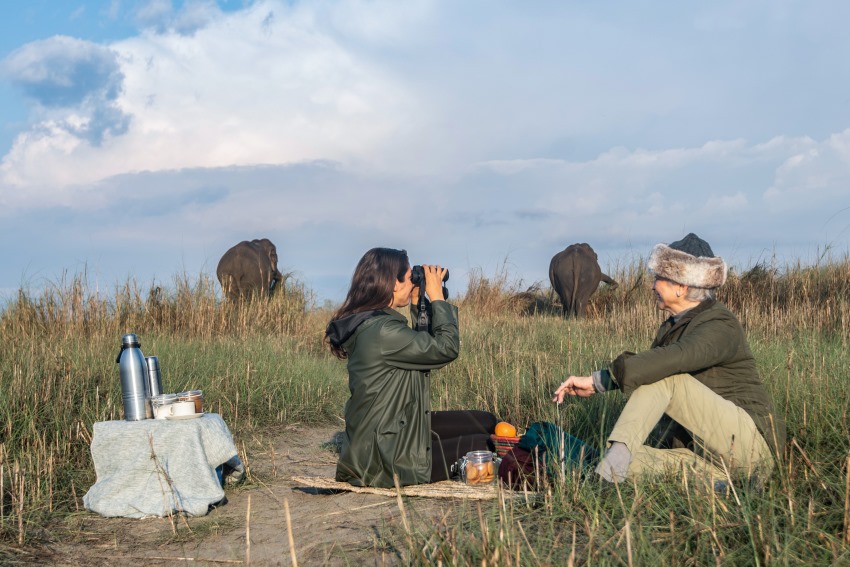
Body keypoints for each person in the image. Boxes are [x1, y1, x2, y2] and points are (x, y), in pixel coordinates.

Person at [553, 234, 785, 485]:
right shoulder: (672, 327)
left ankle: (605, 481)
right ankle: (726, 486)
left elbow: (674, 360)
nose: (653, 286)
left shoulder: (721, 324)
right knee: (618, 460)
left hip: (749, 450)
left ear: (681, 286)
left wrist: (600, 381)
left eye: (658, 278)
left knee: (663, 377)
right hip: (705, 456)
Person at [325, 247, 498, 488]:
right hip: (386, 458)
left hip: (394, 430)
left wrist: (418, 302)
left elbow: (421, 350)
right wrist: (437, 297)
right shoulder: (382, 331)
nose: (412, 283)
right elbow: (445, 348)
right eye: (408, 278)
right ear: (392, 284)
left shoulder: (376, 324)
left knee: (487, 421)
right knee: (485, 445)